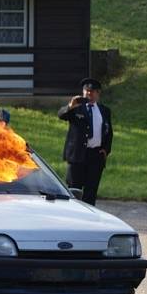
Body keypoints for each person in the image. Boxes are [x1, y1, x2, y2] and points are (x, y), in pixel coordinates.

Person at [58, 78, 113, 206]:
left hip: (95, 156)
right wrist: (70, 106)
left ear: (98, 93)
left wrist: (106, 150)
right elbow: (61, 115)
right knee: (74, 190)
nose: (89, 94)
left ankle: (89, 219)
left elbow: (109, 132)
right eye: (86, 91)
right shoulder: (76, 108)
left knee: (91, 192)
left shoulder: (104, 110)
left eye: (92, 92)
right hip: (77, 155)